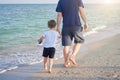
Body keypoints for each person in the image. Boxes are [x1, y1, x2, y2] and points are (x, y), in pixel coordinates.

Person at [56, 0, 88, 67]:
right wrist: (85, 22)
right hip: (76, 25)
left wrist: (58, 26)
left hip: (65, 26)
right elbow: (81, 11)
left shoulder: (61, 1)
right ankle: (72, 56)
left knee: (66, 45)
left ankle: (66, 62)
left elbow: (59, 15)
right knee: (79, 41)